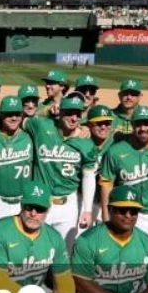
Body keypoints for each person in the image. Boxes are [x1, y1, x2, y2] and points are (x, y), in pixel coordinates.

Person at [26, 95, 97, 248]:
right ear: (60, 112)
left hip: (68, 205)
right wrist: (46, 110)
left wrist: (87, 210)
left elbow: (89, 176)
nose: (74, 118)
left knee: (64, 253)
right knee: (36, 250)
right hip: (39, 202)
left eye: (78, 114)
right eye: (69, 113)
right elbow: (19, 119)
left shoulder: (86, 142)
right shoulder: (42, 126)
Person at [99, 105, 148, 244]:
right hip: (126, 214)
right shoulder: (116, 151)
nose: (143, 128)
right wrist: (106, 218)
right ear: (132, 125)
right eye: (138, 124)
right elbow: (106, 184)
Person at [0, 96, 35, 222]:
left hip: (23, 203)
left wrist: (84, 129)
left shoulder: (30, 136)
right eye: (9, 114)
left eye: (17, 114)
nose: (14, 118)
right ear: (1, 115)